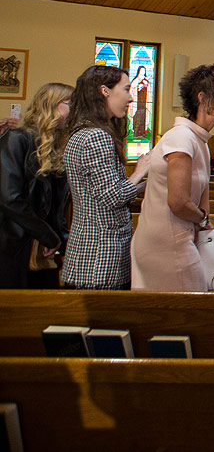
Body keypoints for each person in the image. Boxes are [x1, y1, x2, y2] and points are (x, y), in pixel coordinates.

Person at [131, 64, 214, 291]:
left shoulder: (199, 141)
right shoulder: (181, 138)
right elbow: (178, 203)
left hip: (181, 237)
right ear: (202, 98)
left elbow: (202, 196)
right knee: (186, 308)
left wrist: (203, 220)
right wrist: (203, 220)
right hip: (166, 243)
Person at [62, 65, 151, 289]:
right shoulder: (96, 137)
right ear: (105, 91)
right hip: (101, 253)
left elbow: (99, 190)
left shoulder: (82, 131)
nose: (131, 98)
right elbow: (113, 196)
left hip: (90, 249)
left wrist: (144, 185)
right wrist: (140, 171)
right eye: (126, 89)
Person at [0, 82, 71, 288]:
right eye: (70, 104)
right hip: (13, 244)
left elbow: (55, 205)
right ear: (52, 106)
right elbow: (9, 198)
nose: (75, 112)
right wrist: (47, 234)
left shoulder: (56, 146)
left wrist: (58, 239)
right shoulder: (17, 139)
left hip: (42, 245)